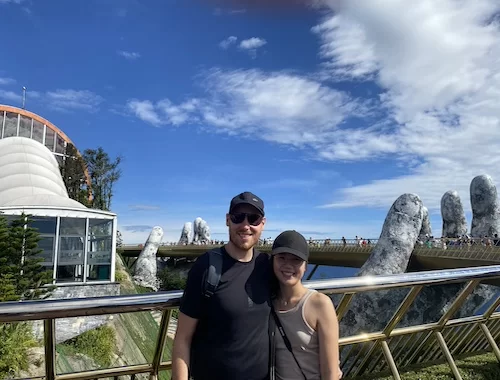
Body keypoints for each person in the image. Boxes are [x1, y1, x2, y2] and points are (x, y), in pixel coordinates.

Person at [172, 191, 271, 380]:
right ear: (228, 220)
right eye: (237, 217)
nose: (245, 225)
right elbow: (182, 338)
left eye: (253, 218)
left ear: (263, 224)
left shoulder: (267, 265)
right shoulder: (206, 266)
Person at [270, 230, 341, 380]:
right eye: (281, 258)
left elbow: (331, 374)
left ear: (305, 266)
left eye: (296, 260)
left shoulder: (319, 304)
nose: (288, 265)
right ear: (273, 261)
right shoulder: (268, 303)